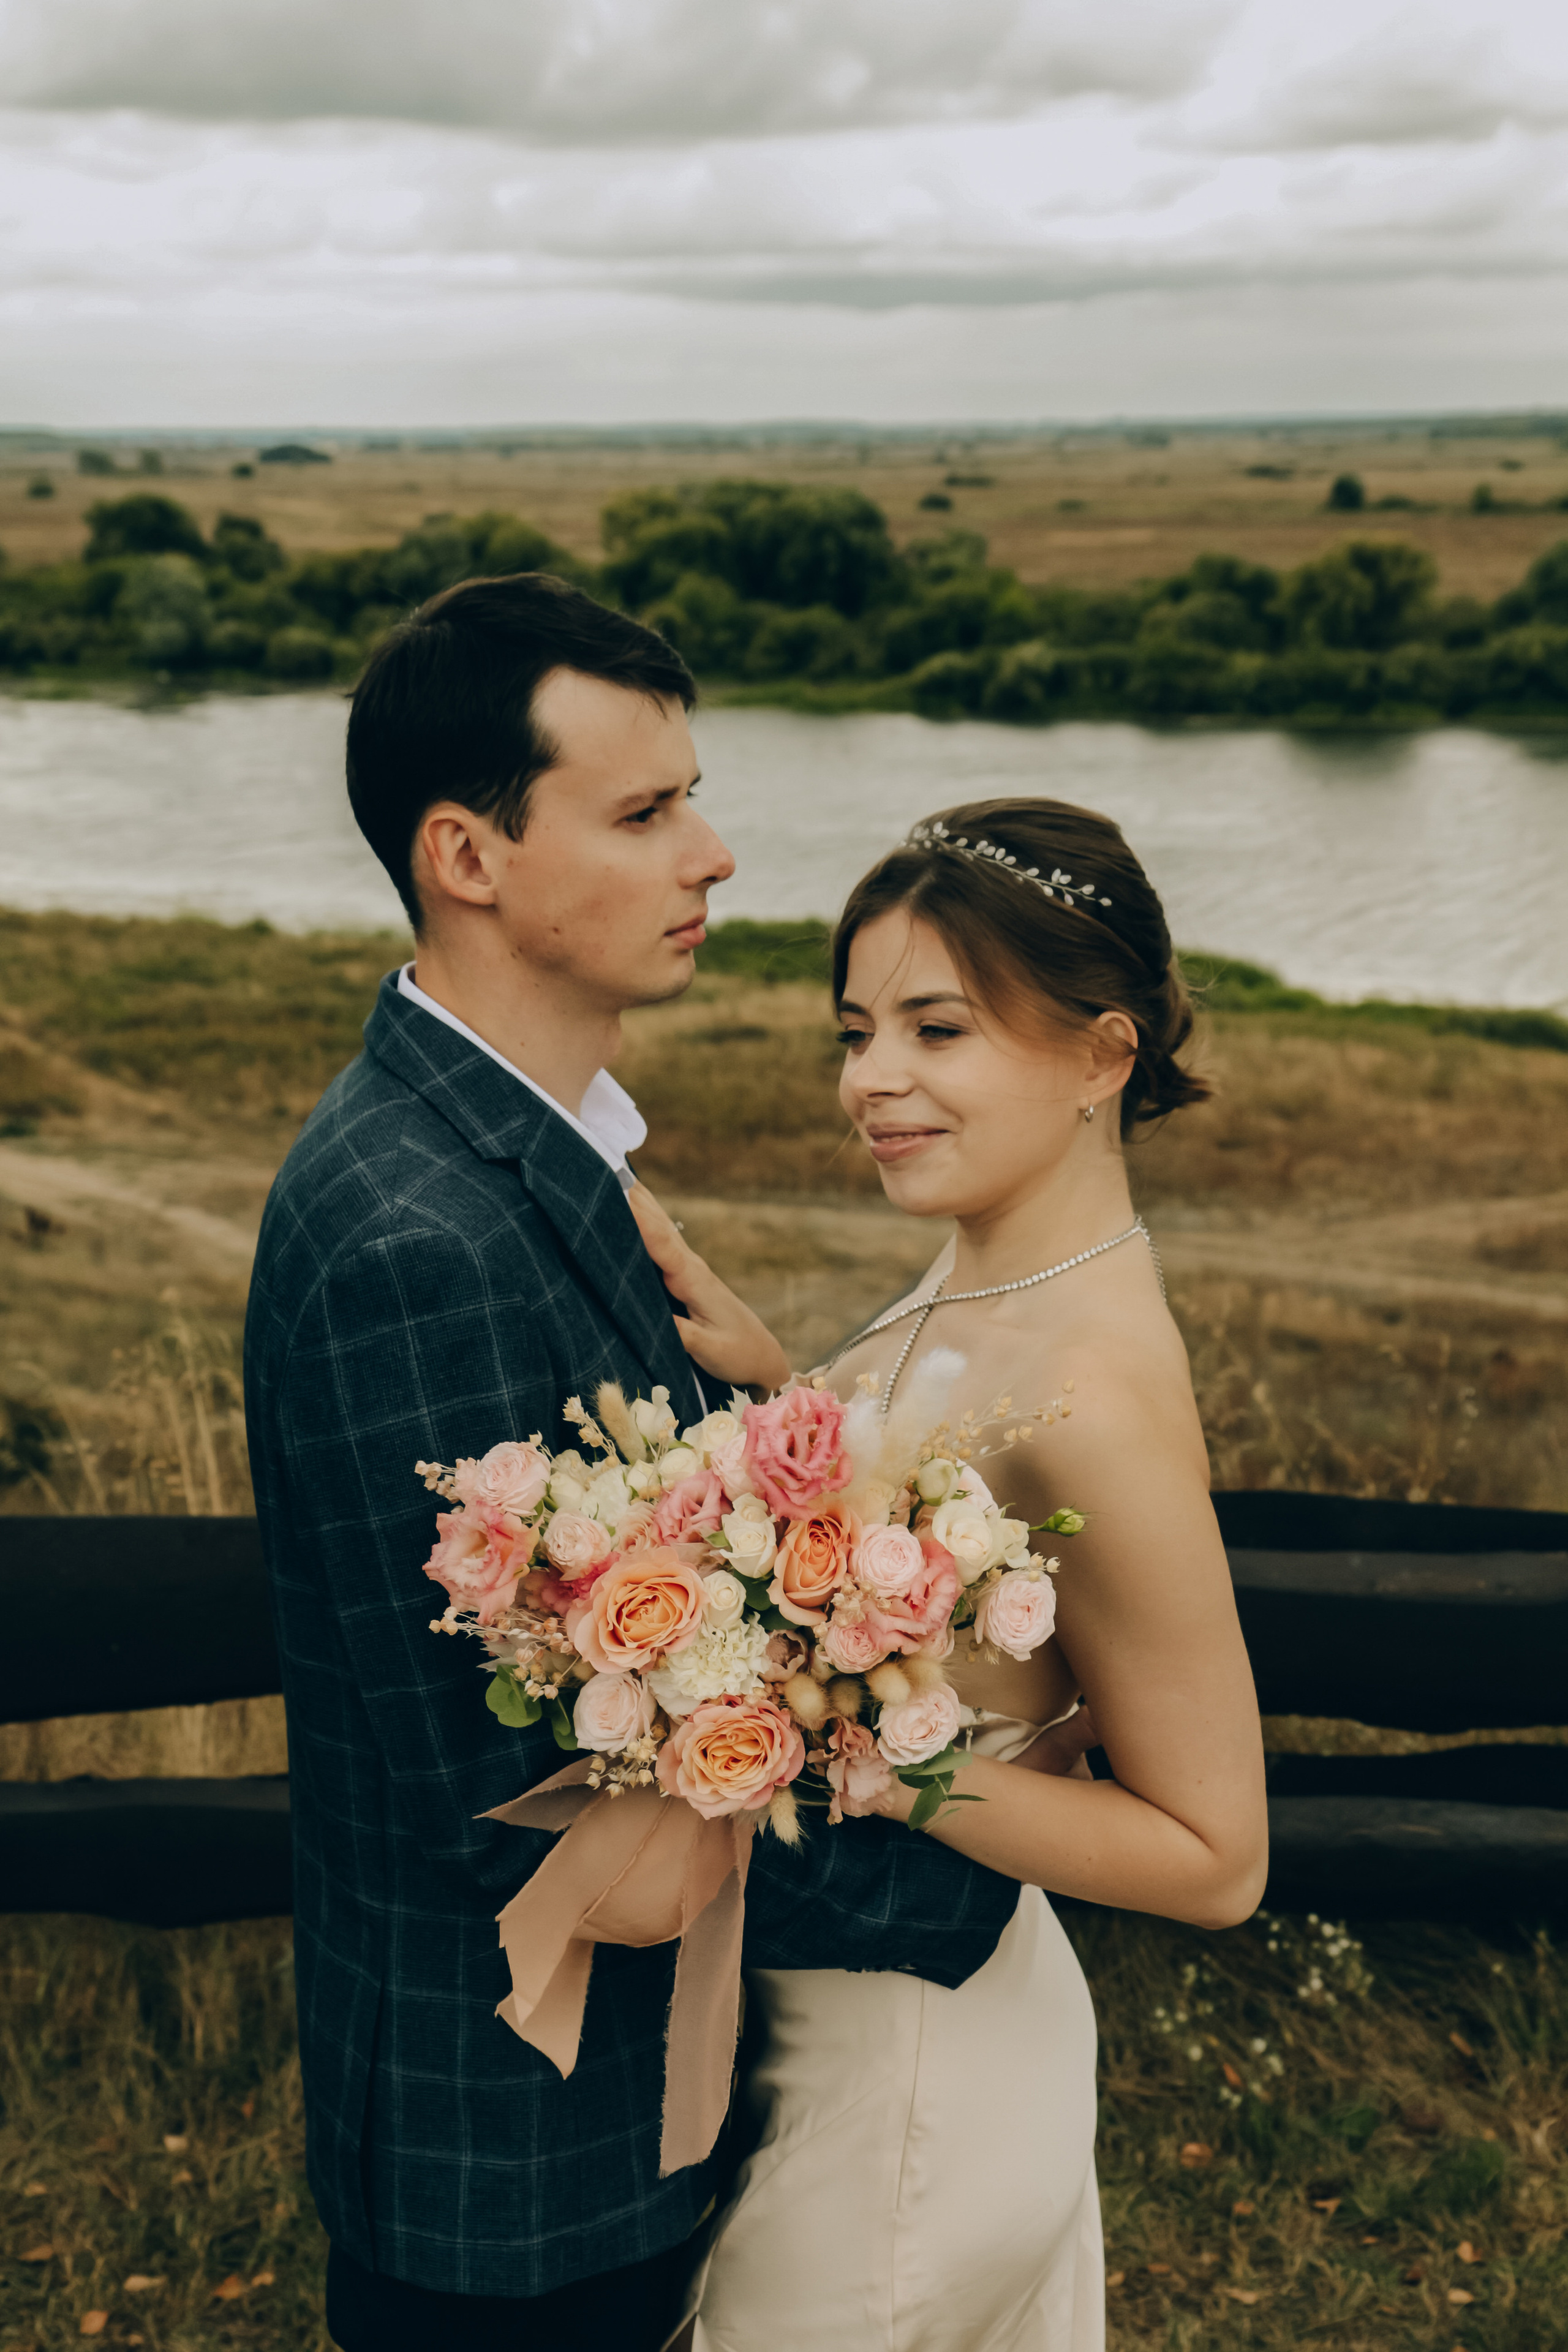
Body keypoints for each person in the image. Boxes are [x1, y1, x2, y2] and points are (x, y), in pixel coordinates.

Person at [243, 576, 1027, 2352]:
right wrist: (985, 1858)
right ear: (470, 854)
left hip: (595, 2137)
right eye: (647, 812)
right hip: (508, 2171)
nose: (717, 856)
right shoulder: (412, 1241)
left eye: (696, 799)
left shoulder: (538, 1156)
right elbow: (517, 1796)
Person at [632, 797, 1270, 2352]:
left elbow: (1213, 1857)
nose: (874, 1082)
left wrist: (866, 1765)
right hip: (836, 2019)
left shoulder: (1094, 1393)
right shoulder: (985, 1263)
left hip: (922, 2079)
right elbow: (936, 1556)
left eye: (938, 1028)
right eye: (856, 1031)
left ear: (1100, 1056)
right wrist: (780, 1398)